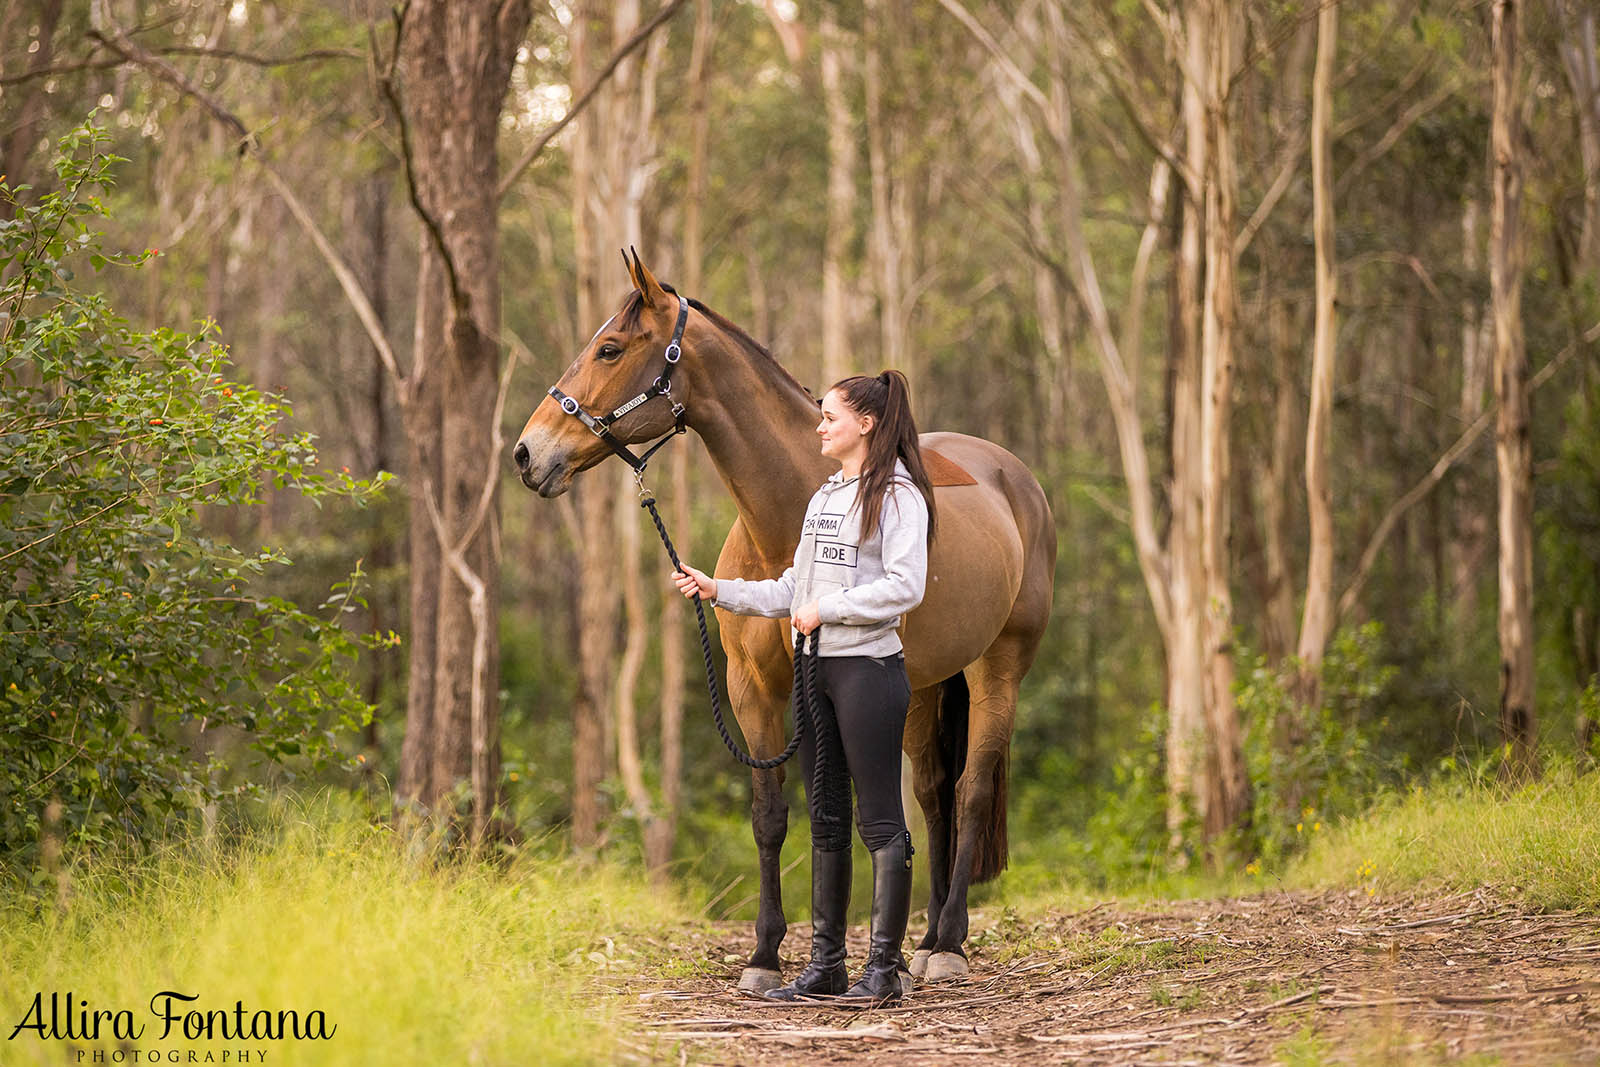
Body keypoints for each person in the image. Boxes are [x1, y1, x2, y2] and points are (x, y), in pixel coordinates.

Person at [671, 370, 937, 1006]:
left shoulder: (899, 498)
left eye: (831, 418)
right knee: (824, 819)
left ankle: (883, 968)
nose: (819, 427)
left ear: (866, 425)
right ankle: (826, 965)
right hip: (815, 673)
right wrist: (719, 590)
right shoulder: (824, 499)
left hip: (867, 672)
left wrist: (833, 608)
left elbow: (907, 587)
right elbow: (796, 590)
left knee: (879, 819)